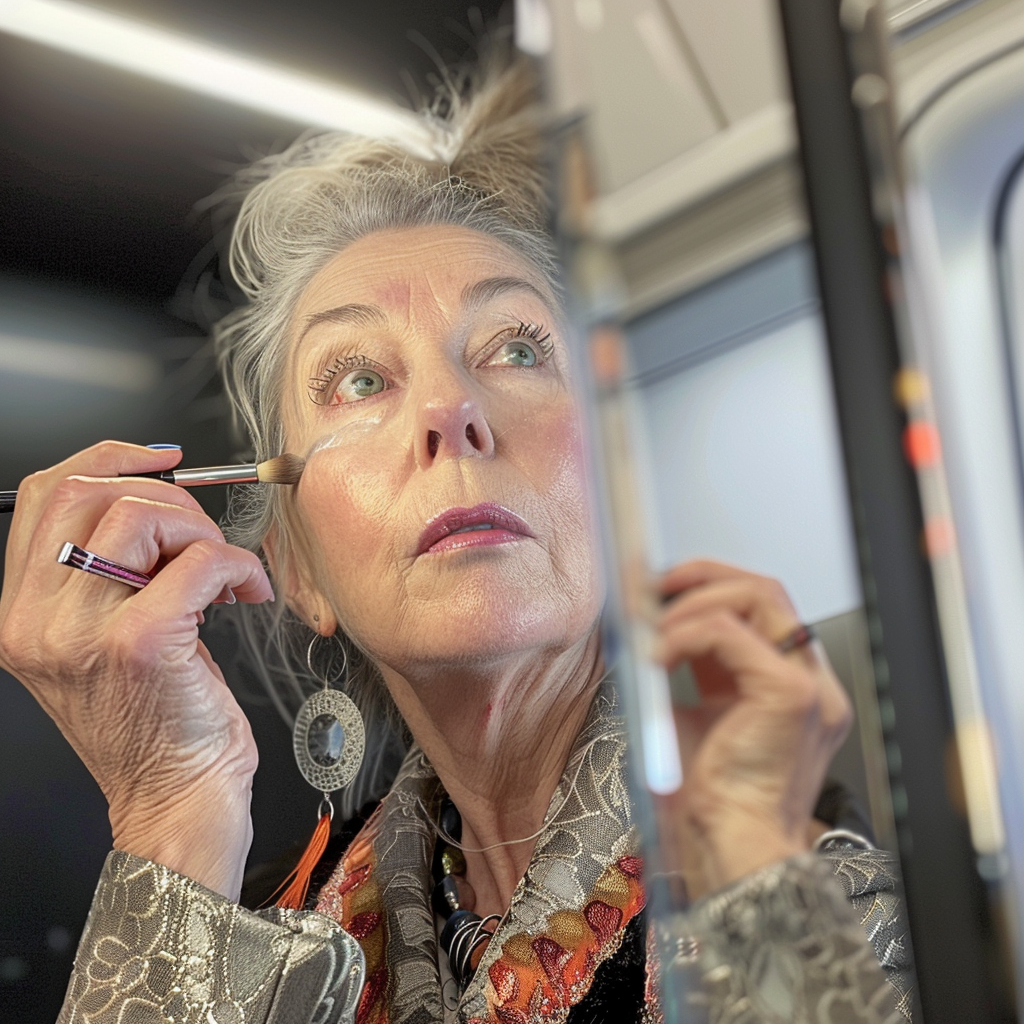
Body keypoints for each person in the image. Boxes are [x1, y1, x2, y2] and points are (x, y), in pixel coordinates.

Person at [0, 60, 910, 1023]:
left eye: (516, 348)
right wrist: (171, 811)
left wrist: (753, 878)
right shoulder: (265, 940)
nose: (449, 409)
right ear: (298, 568)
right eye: (357, 380)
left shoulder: (827, 918)